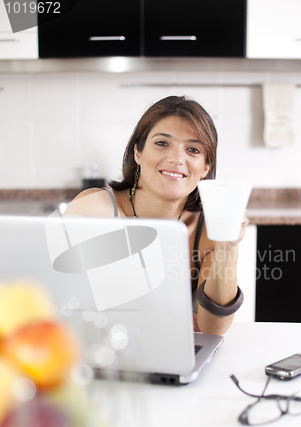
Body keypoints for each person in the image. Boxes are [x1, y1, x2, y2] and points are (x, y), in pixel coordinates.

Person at [65, 95, 249, 335]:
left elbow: (213, 328)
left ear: (205, 167)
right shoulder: (97, 211)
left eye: (193, 149)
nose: (176, 159)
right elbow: (56, 301)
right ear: (138, 152)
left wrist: (229, 246)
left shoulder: (206, 231)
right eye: (162, 143)